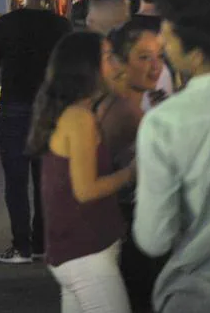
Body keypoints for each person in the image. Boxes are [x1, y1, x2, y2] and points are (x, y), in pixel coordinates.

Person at [133, 0, 210, 313]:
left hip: (201, 291)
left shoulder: (166, 122)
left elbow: (154, 238)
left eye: (168, 37)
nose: (163, 45)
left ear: (195, 53)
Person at [28, 32, 135, 313]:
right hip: (86, 254)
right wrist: (131, 173)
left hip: (77, 251)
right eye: (108, 57)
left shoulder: (79, 113)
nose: (118, 65)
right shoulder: (79, 118)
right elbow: (86, 189)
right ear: (86, 67)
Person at [0, 0, 72, 264]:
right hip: (49, 109)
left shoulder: (7, 24)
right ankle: (41, 242)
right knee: (44, 178)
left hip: (13, 106)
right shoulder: (61, 27)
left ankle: (20, 245)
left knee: (16, 179)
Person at [101, 22, 166, 312]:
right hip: (121, 231)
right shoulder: (117, 113)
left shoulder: (148, 105)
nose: (156, 67)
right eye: (144, 57)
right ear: (119, 62)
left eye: (159, 56)